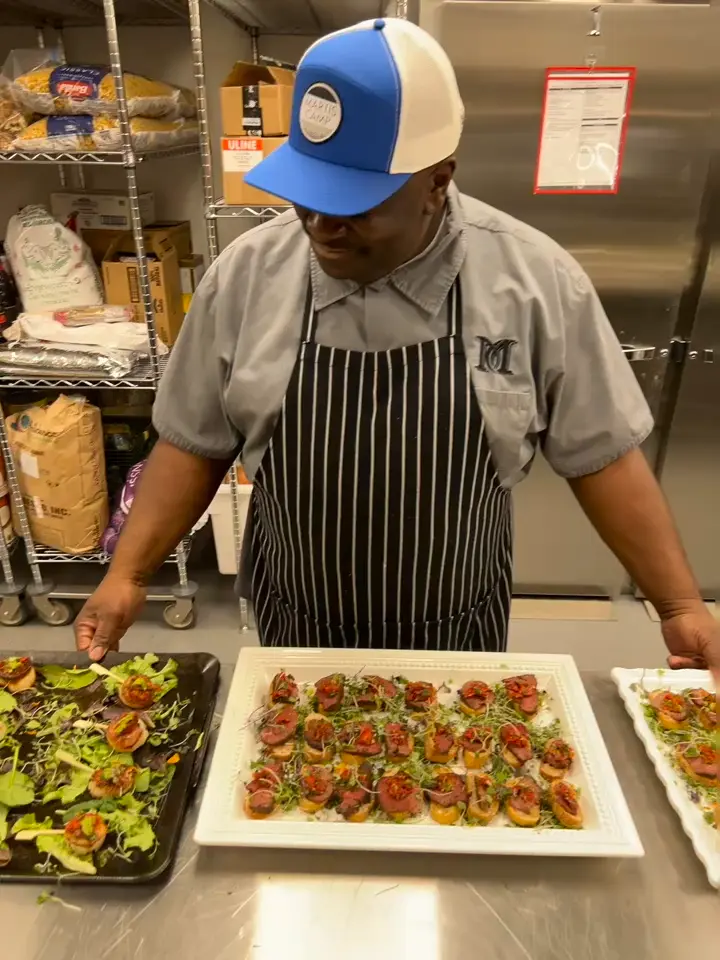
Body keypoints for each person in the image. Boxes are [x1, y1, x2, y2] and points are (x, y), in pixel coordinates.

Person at [75, 18, 720, 680]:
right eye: (308, 196)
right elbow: (194, 442)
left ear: (438, 180)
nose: (321, 225)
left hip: (454, 627)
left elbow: (602, 455)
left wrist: (679, 605)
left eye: (353, 204)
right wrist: (129, 574)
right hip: (299, 621)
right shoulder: (246, 276)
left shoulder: (534, 282)